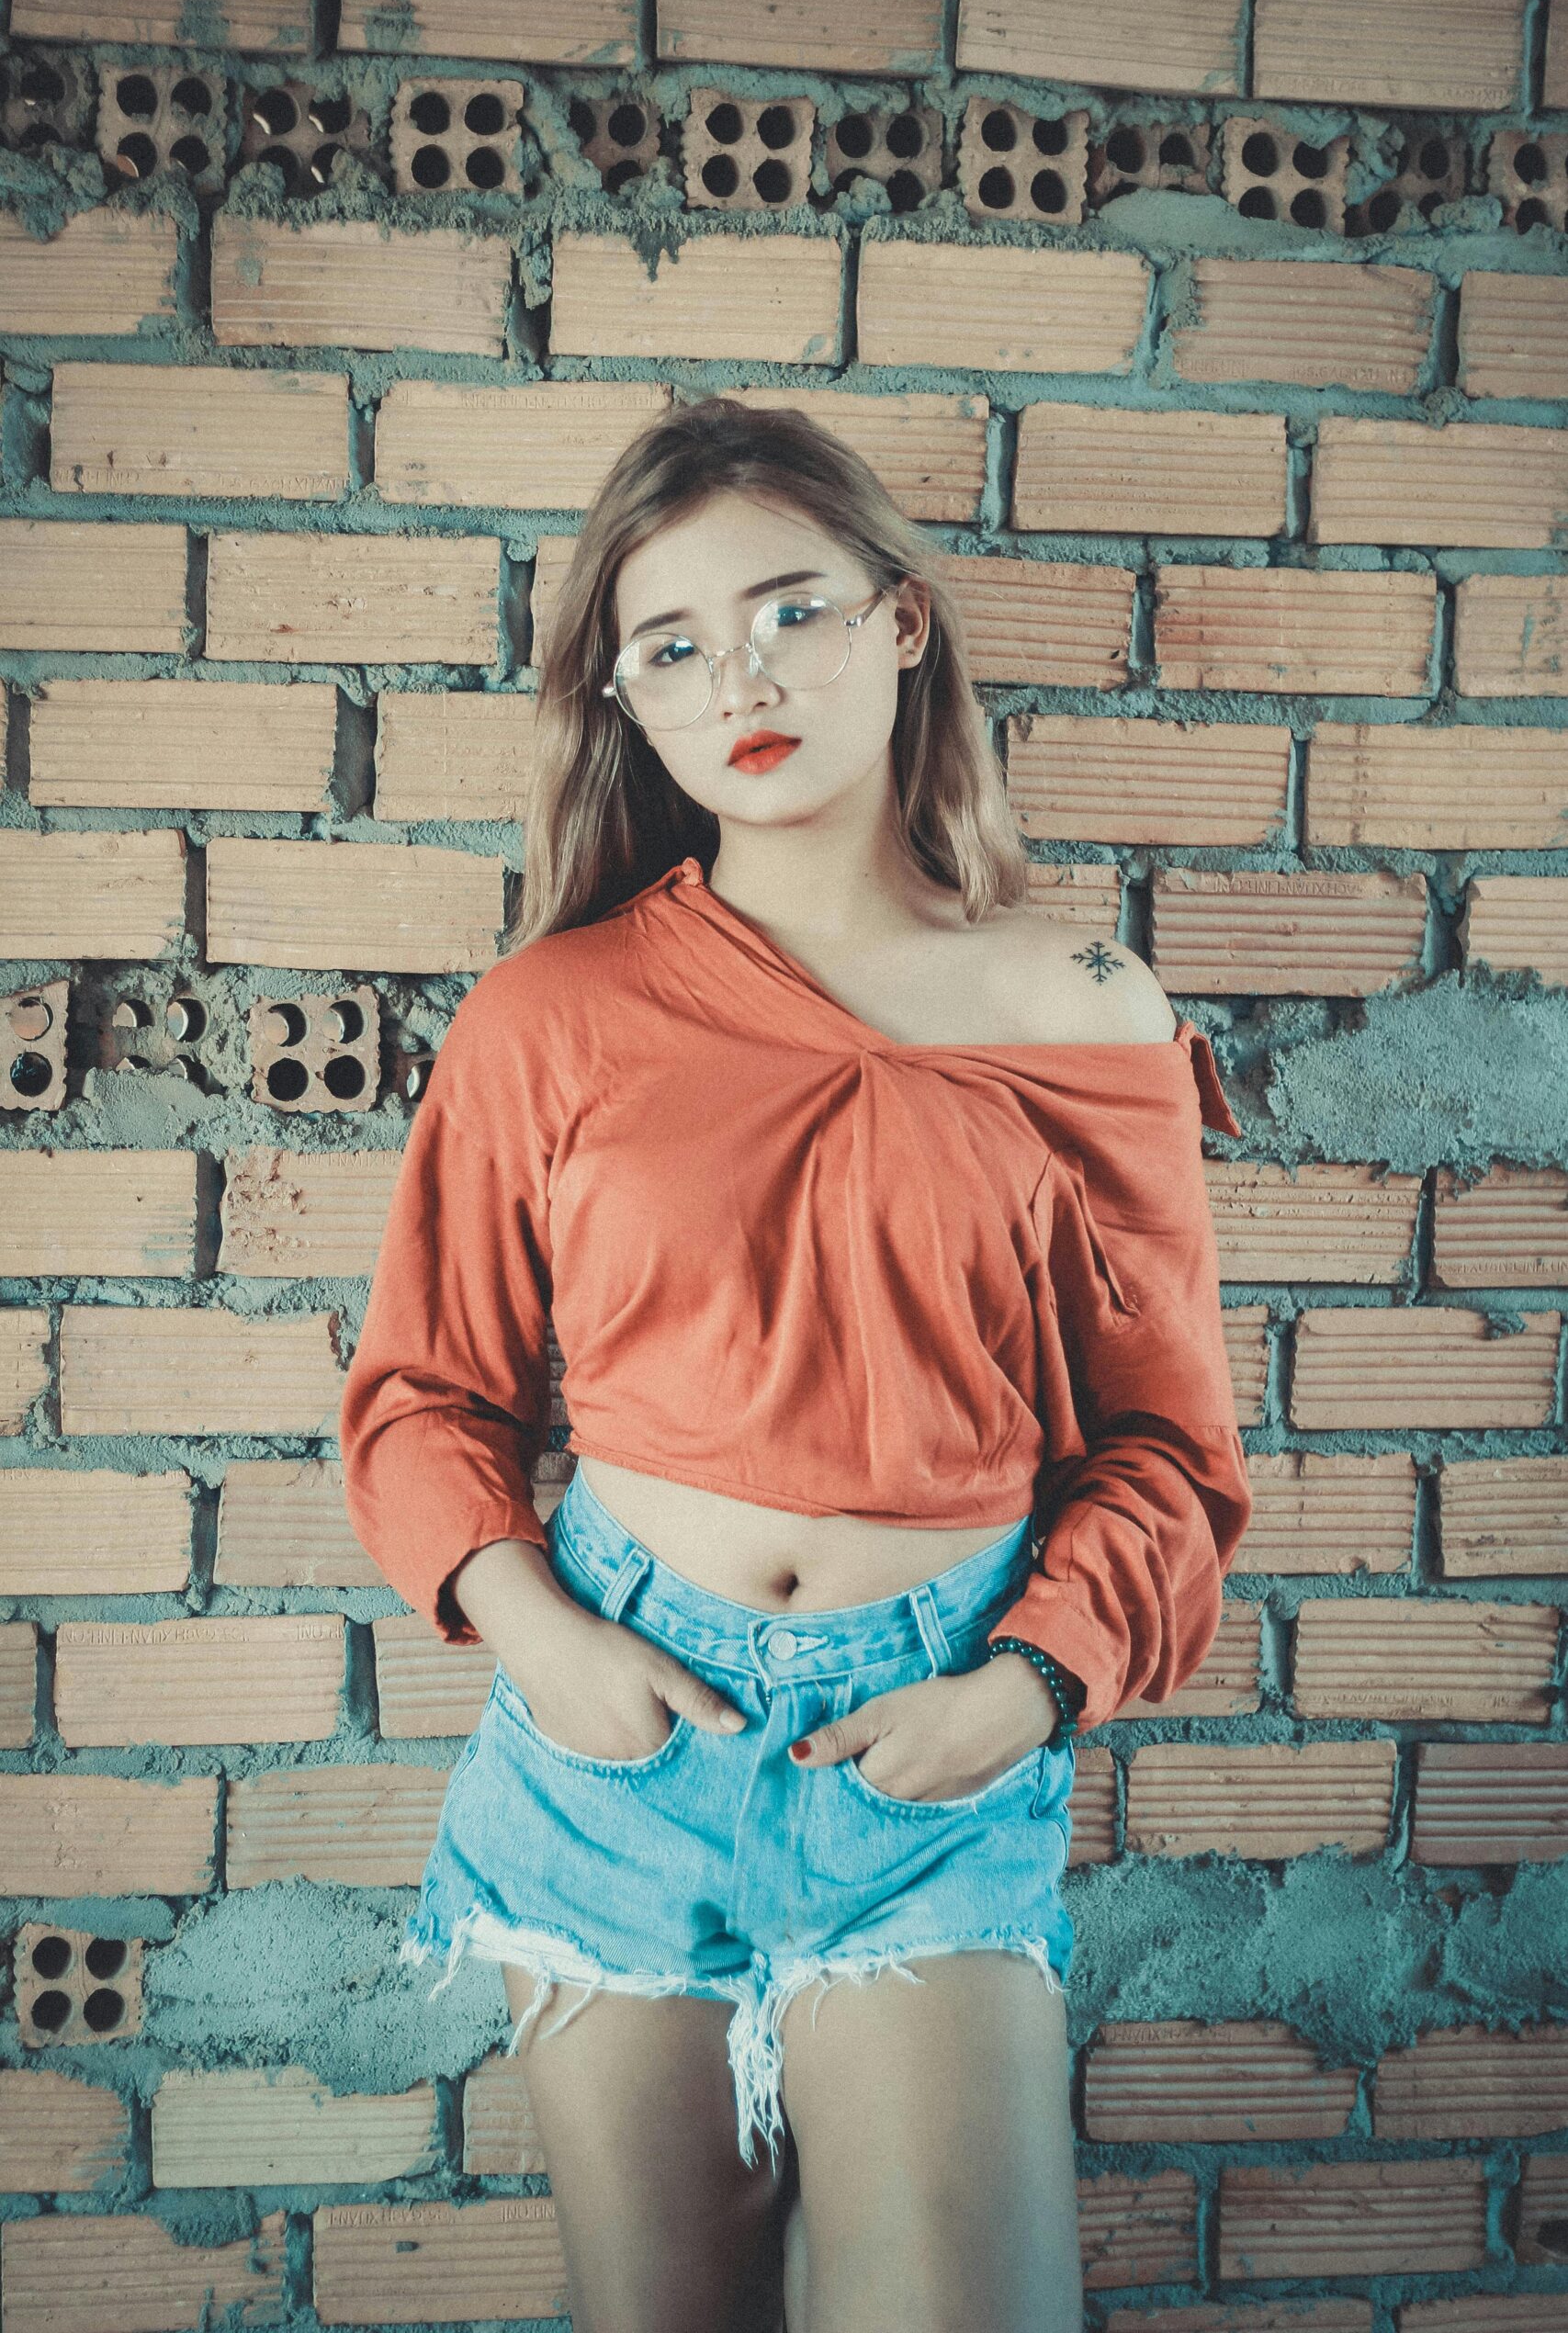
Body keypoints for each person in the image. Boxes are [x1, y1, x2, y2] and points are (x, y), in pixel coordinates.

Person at [338, 395, 1252, 2333]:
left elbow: (1166, 1449)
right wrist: (545, 1638)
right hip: (615, 1750)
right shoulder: (551, 1009)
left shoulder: (1075, 1006)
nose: (736, 677)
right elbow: (423, 1398)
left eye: (788, 613)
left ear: (899, 624)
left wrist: (1024, 1684)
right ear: (626, 705)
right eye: (670, 646)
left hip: (926, 1756)